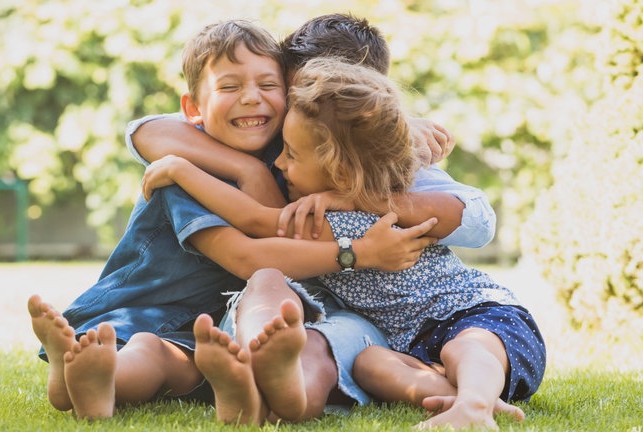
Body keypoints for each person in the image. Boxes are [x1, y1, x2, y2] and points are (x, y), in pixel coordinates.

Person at [27, 19, 440, 421]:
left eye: (267, 85)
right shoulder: (185, 174)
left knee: (170, 360)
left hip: (208, 330)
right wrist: (357, 253)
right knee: (148, 349)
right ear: (193, 108)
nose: (251, 98)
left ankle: (89, 383)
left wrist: (396, 126)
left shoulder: (288, 153)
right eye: (229, 87)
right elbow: (249, 256)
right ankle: (94, 374)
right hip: (148, 313)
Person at [143, 57, 546, 430]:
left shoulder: (350, 220)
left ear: (337, 168)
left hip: (477, 316)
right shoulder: (323, 211)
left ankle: (474, 403)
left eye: (291, 154)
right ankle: (465, 398)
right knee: (370, 365)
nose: (280, 165)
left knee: (465, 348)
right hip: (414, 347)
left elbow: (254, 219)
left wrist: (182, 170)